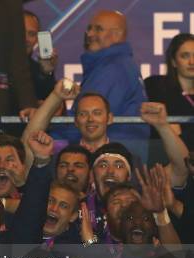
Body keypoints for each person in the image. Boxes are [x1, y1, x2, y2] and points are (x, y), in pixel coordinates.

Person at [54, 10, 149, 160]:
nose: (90, 34)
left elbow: (85, 117)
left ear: (117, 34)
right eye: (89, 28)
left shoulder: (113, 68)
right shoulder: (119, 64)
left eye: (98, 29)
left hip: (112, 156)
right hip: (120, 154)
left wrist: (52, 128)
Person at [145, 33, 194, 146]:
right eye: (185, 56)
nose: (192, 62)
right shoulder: (156, 87)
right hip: (163, 157)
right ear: (173, 61)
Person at [23, 10, 57, 102]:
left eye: (31, 34)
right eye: (21, 31)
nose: (26, 39)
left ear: (37, 39)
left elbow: (51, 108)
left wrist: (46, 74)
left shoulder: (40, 73)